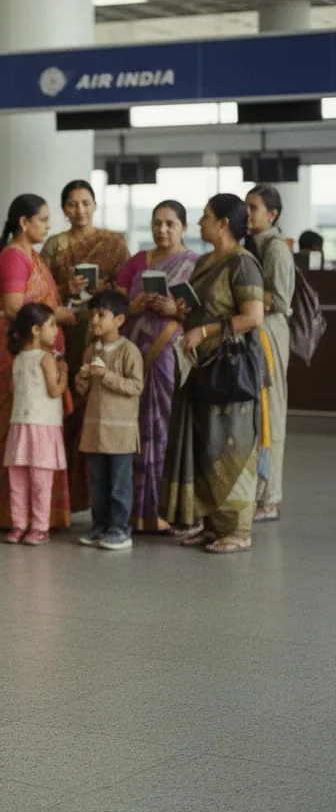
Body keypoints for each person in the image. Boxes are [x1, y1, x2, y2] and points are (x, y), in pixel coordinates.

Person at [159, 194, 265, 554]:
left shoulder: (243, 263)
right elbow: (205, 307)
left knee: (230, 443)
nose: (200, 223)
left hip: (230, 367)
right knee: (206, 445)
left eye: (205, 217)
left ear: (223, 224)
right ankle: (211, 525)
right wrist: (184, 310)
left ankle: (238, 530)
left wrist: (203, 331)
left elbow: (252, 317)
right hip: (202, 366)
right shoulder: (206, 260)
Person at [0, 194, 76, 531]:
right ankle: (16, 517)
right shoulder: (14, 257)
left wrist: (64, 290)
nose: (48, 225)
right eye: (43, 219)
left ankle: (39, 517)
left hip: (37, 359)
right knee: (16, 437)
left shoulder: (31, 257)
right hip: (13, 358)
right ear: (24, 222)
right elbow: (13, 308)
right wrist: (59, 315)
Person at [41, 180, 130, 513]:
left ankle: (102, 501)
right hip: (65, 335)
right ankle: (65, 499)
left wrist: (105, 290)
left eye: (85, 203)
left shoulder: (114, 244)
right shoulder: (54, 246)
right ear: (64, 208)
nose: (79, 210)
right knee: (67, 413)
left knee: (100, 412)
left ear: (95, 205)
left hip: (103, 337)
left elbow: (127, 291)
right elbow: (42, 294)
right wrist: (67, 286)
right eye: (72, 204)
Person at [114, 201, 199, 532]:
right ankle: (135, 510)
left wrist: (174, 311)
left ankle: (165, 509)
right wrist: (132, 305)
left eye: (170, 224)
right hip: (132, 356)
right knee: (132, 429)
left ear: (183, 228)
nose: (162, 230)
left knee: (164, 427)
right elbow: (115, 304)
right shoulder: (137, 261)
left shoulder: (194, 264)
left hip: (167, 354)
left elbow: (202, 313)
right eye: (156, 223)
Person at [74, 290, 144, 551]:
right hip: (94, 430)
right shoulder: (91, 350)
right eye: (92, 315)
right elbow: (83, 391)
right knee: (98, 482)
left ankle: (120, 528)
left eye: (101, 315)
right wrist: (81, 379)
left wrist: (106, 376)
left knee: (119, 483)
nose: (94, 320)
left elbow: (136, 387)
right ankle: (100, 525)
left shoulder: (129, 351)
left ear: (119, 320)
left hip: (120, 433)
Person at [246, 185, 296, 522]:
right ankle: (256, 490)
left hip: (270, 334)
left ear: (272, 214)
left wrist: (248, 294)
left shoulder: (276, 250)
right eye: (246, 208)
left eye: (254, 208)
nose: (248, 214)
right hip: (254, 331)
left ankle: (270, 497)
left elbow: (280, 300)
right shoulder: (253, 245)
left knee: (271, 412)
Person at [2, 303, 69, 545]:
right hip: (42, 427)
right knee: (41, 482)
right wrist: (64, 374)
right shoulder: (46, 358)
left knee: (18, 481)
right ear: (36, 330)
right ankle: (39, 527)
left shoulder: (19, 358)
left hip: (20, 425)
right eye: (52, 325)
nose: (56, 331)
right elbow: (54, 391)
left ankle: (19, 525)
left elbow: (12, 389)